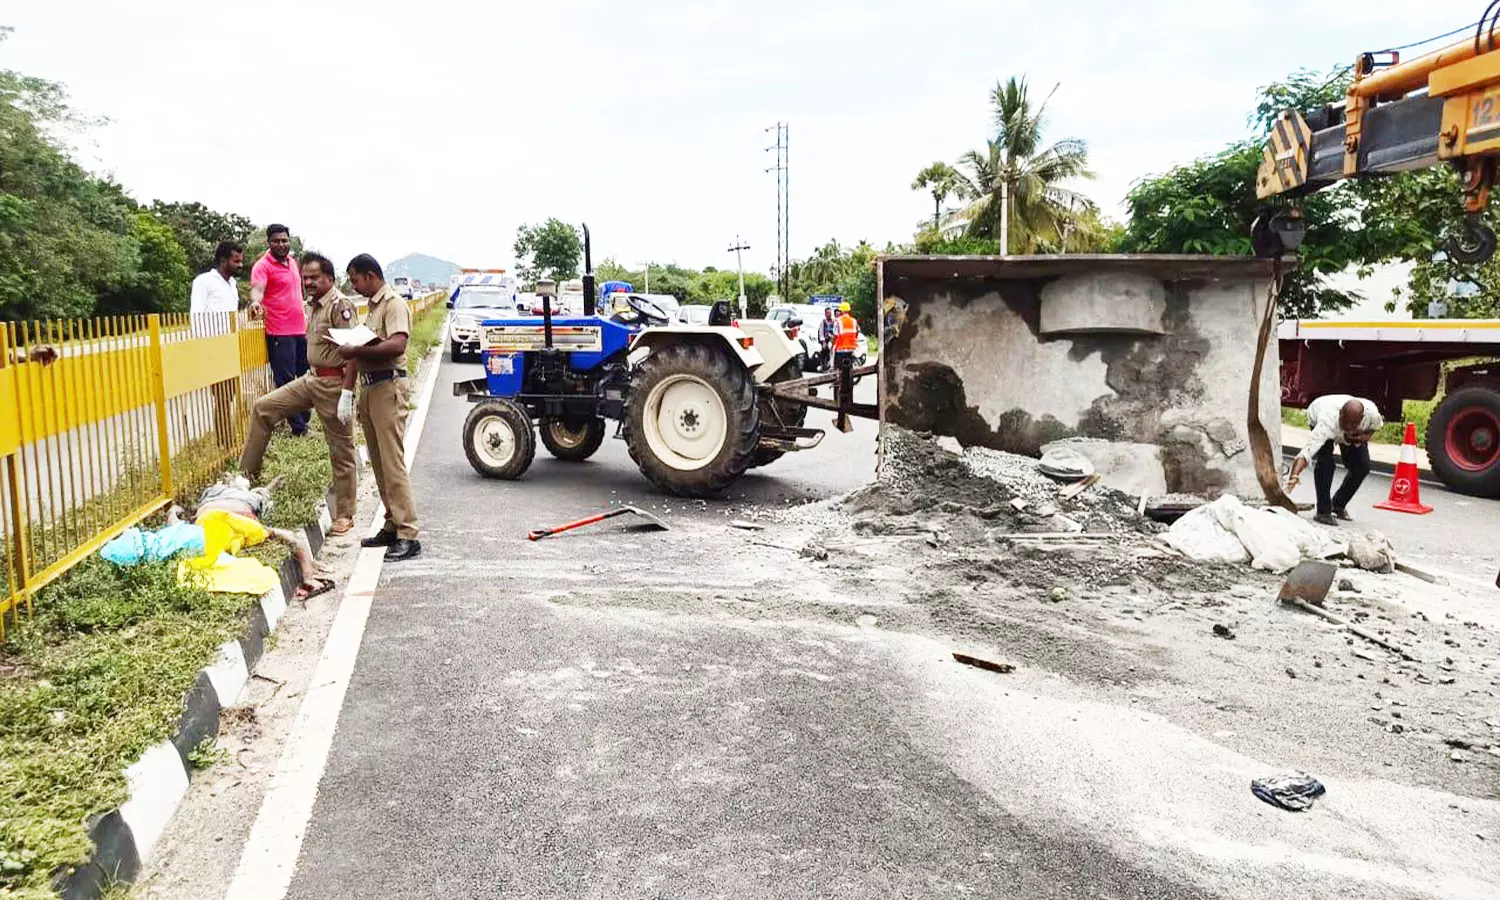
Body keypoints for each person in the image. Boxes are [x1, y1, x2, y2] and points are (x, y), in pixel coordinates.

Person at [238, 253, 360, 536]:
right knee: (263, 409)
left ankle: (345, 513)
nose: (308, 282)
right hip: (311, 378)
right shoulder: (313, 306)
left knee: (341, 449)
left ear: (329, 277)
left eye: (314, 277)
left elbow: (354, 352)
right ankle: (244, 483)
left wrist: (347, 393)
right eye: (305, 277)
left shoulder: (340, 306)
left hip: (333, 384)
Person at [339, 254, 421, 562]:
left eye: (356, 279)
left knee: (392, 462)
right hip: (371, 386)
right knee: (378, 461)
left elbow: (397, 344)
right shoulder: (372, 308)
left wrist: (355, 348)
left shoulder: (393, 304)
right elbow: (365, 351)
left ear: (371, 276)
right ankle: (392, 523)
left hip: (388, 385)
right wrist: (348, 391)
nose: (354, 286)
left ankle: (408, 532)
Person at [1285, 394, 1384, 526]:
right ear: (1340, 414)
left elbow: (1375, 428)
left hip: (1351, 433)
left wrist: (1362, 438)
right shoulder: (1327, 423)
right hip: (1318, 413)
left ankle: (1338, 505)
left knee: (1362, 466)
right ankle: (1323, 512)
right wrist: (1294, 475)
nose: (1348, 426)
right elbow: (1306, 452)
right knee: (1326, 464)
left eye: (1354, 423)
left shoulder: (1372, 415)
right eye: (1345, 421)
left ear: (1361, 419)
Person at [249, 224, 310, 436]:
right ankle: (298, 428)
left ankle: (305, 419)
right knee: (286, 382)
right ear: (269, 242)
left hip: (300, 330)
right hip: (279, 333)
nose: (281, 244)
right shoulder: (262, 266)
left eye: (284, 240)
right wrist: (256, 303)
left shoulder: (293, 263)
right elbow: (257, 289)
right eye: (276, 241)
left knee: (306, 376)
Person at [191, 241, 245, 447]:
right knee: (221, 398)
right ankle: (225, 441)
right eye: (236, 261)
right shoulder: (204, 282)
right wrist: (204, 350)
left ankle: (227, 438)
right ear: (223, 261)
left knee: (228, 396)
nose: (240, 265)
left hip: (230, 347)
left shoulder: (232, 284)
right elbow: (196, 316)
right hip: (213, 348)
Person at [833, 301, 860, 369]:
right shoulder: (854, 320)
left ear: (841, 311)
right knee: (850, 367)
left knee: (838, 367)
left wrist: (833, 344)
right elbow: (857, 332)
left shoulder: (838, 320)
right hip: (851, 348)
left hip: (840, 349)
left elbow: (835, 335)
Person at [818, 306, 837, 371]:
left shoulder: (834, 321)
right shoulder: (823, 322)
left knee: (832, 349)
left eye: (830, 312)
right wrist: (823, 341)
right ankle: (822, 365)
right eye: (827, 313)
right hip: (825, 339)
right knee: (823, 350)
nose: (829, 314)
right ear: (825, 314)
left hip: (833, 339)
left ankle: (832, 364)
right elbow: (821, 332)